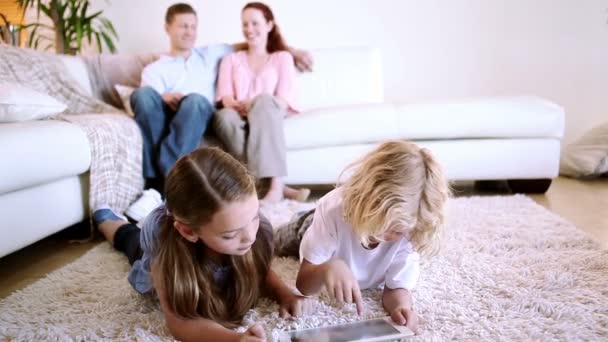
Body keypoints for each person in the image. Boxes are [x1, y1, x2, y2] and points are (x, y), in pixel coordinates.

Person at [93, 147, 315, 342]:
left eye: (254, 217)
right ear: (189, 232)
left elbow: (259, 270)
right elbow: (180, 322)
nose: (250, 237)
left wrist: (285, 294)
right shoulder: (165, 248)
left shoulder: (243, 221)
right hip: (159, 247)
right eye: (231, 235)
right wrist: (236, 339)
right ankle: (109, 219)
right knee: (129, 240)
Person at [131, 3, 313, 194]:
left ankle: (161, 187)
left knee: (195, 100)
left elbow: (255, 42)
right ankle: (155, 181)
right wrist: (163, 96)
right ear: (167, 27)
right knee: (142, 95)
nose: (189, 32)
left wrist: (292, 51)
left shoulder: (211, 53)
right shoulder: (154, 70)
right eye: (183, 26)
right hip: (168, 114)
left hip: (199, 114)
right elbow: (148, 107)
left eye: (193, 27)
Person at [274, 140, 451, 334]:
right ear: (366, 197)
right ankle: (303, 216)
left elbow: (396, 288)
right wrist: (326, 268)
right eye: (382, 223)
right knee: (272, 241)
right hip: (313, 226)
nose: (386, 236)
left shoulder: (410, 226)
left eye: (397, 231)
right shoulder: (333, 209)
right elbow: (305, 286)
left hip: (337, 228)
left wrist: (401, 308)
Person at [213, 2, 310, 203]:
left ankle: (275, 186)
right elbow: (225, 97)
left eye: (255, 23)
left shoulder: (282, 57)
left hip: (267, 114)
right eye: (245, 24)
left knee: (265, 101)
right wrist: (238, 104)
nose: (249, 29)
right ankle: (278, 188)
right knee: (223, 116)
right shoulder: (230, 59)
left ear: (269, 25)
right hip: (237, 115)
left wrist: (255, 103)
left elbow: (283, 101)